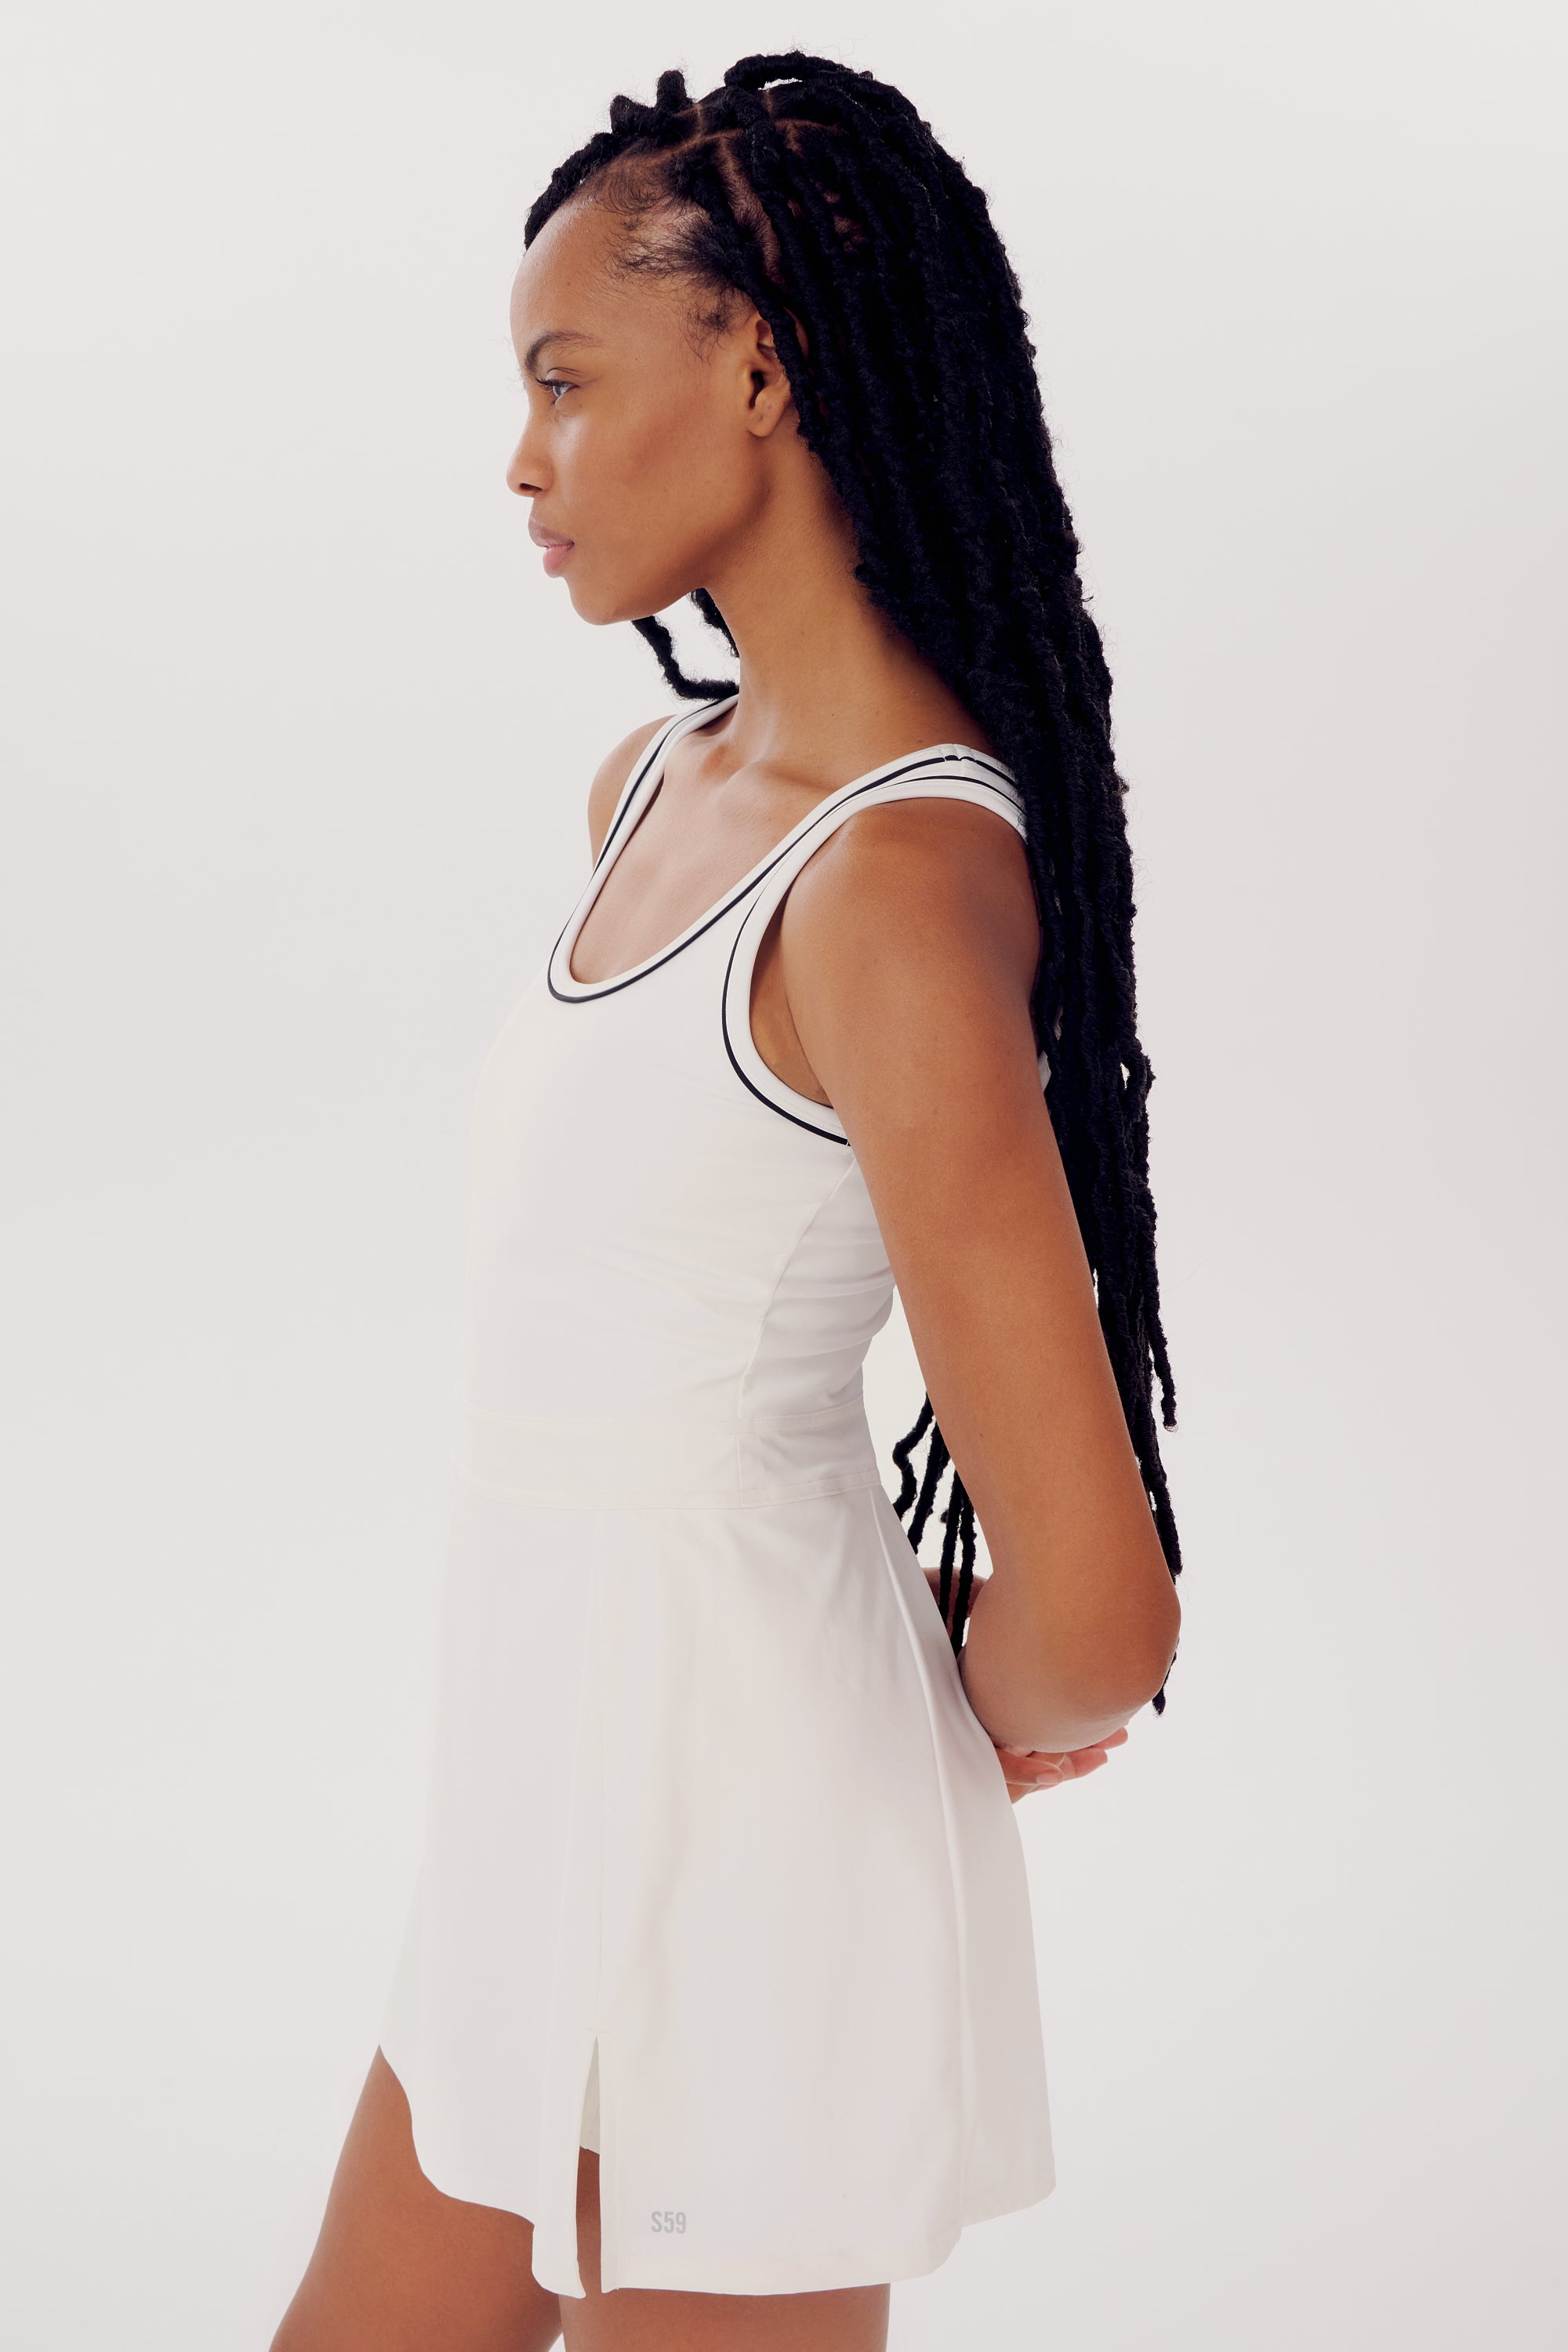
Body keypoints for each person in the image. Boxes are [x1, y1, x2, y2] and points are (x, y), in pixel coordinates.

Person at [271, 50, 1182, 2352]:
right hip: (532, 1812)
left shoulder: (888, 879)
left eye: (565, 382)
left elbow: (1096, 1604)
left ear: (760, 367)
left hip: (746, 1873)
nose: (523, 457)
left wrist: (912, 1718)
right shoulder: (652, 784)